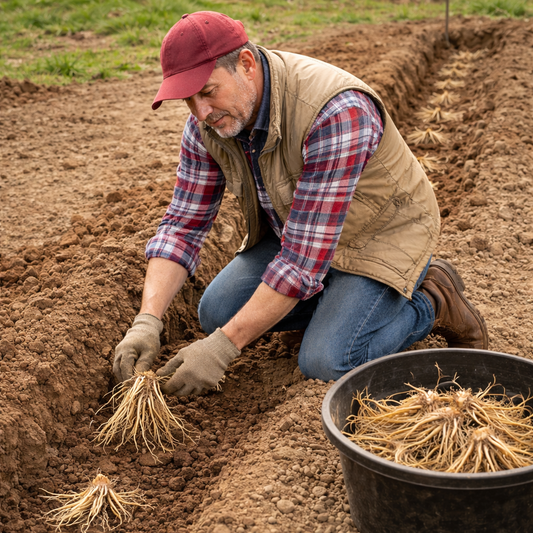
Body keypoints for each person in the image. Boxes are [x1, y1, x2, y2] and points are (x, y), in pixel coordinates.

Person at [113, 11, 488, 396]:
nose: (200, 112)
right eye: (187, 100)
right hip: (299, 227)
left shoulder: (336, 111)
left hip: (379, 234)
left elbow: (301, 262)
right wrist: (147, 320)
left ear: (245, 64)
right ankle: (329, 309)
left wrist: (225, 347)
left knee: (327, 362)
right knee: (216, 312)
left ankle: (433, 302)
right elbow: (183, 225)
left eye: (207, 91)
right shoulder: (210, 123)